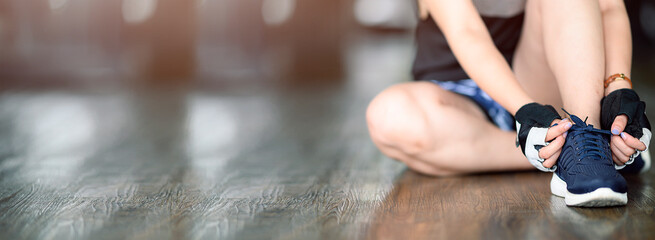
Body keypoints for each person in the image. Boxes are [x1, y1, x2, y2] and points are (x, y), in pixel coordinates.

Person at [366, 0, 651, 207]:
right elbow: (468, 33)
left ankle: (587, 145)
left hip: (537, 85)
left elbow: (609, 8)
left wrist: (619, 90)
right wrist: (525, 112)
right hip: (460, 101)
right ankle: (572, 152)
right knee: (389, 116)